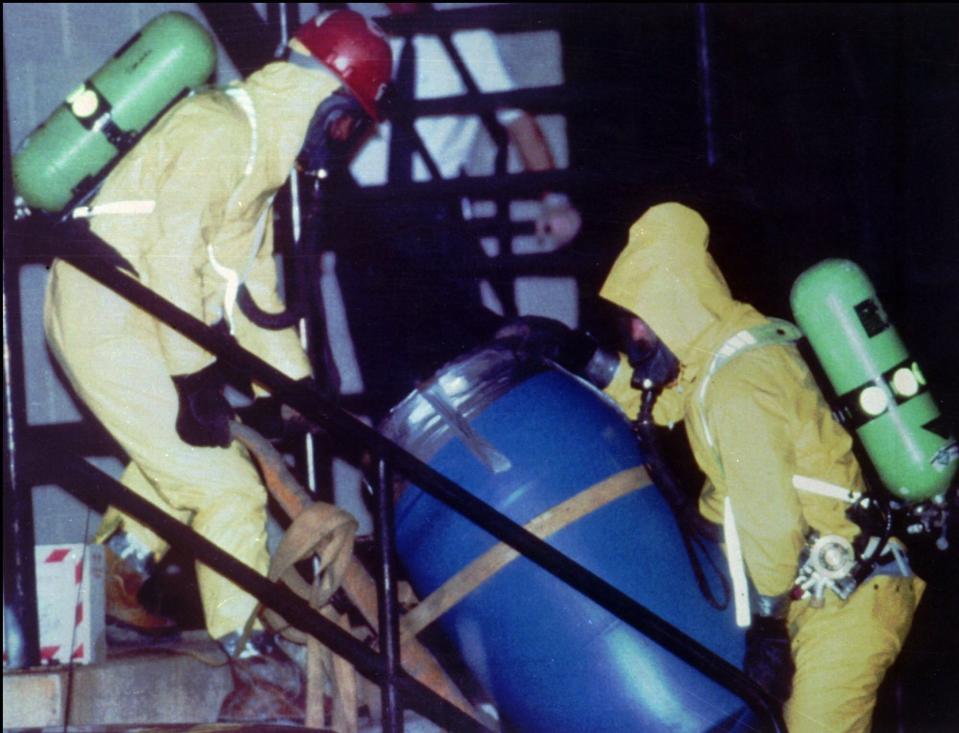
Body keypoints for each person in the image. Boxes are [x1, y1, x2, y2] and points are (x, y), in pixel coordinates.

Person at [43, 9, 392, 722]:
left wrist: (293, 387)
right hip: (103, 314)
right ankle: (251, 654)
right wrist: (193, 375)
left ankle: (120, 574)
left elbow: (248, 293)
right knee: (230, 488)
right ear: (326, 104)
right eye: (350, 125)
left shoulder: (256, 159)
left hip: (136, 318)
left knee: (195, 452)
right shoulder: (219, 131)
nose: (344, 144)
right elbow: (170, 257)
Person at [594, 201, 923, 732]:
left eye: (640, 320)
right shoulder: (726, 350)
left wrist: (768, 627)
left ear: (675, 307)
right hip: (816, 593)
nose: (634, 336)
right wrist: (585, 359)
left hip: (847, 600)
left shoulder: (737, 388)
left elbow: (770, 521)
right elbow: (666, 406)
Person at [329, 2, 582, 419]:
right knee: (384, 379)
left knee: (455, 371)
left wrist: (554, 198)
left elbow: (518, 120)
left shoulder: (466, 37)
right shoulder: (367, 36)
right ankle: (392, 477)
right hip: (364, 222)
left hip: (433, 221)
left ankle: (465, 472)